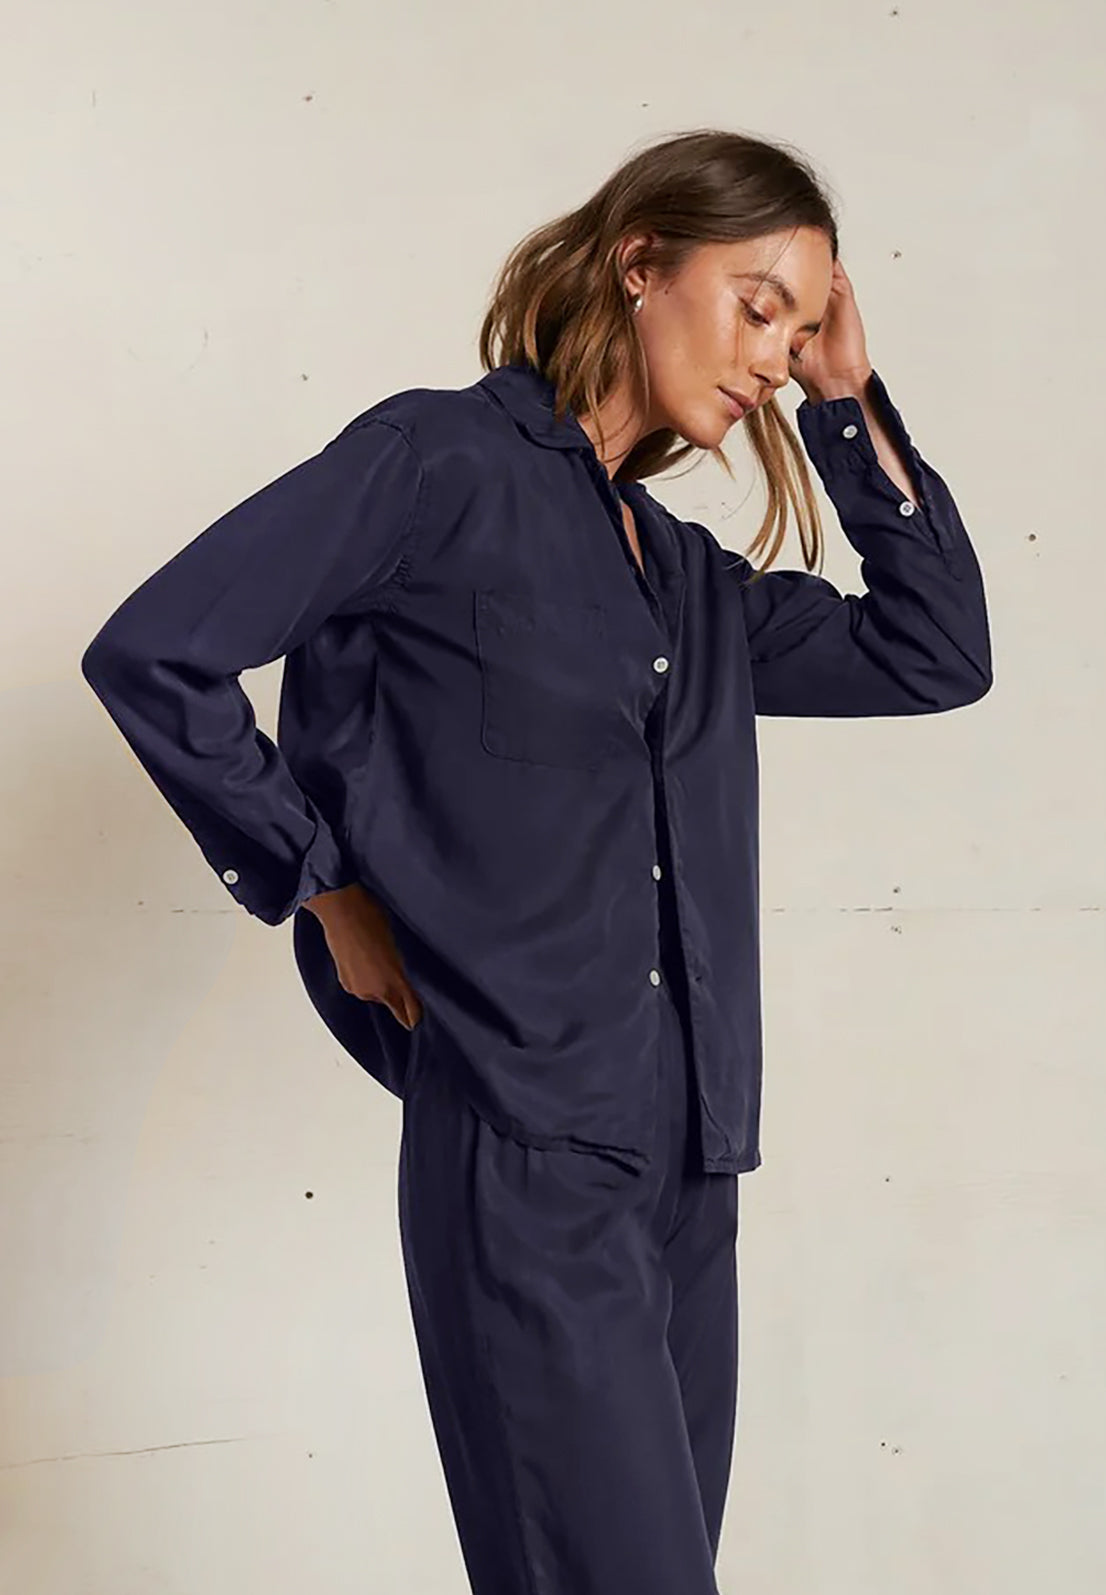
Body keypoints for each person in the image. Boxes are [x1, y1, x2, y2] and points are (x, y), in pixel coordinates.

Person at [80, 128, 992, 1594]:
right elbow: (157, 650)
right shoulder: (435, 463)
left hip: (693, 1168)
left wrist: (848, 400)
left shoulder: (685, 580)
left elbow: (933, 652)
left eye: (802, 326)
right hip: (520, 1148)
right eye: (757, 306)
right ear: (640, 263)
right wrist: (322, 885)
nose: (774, 353)